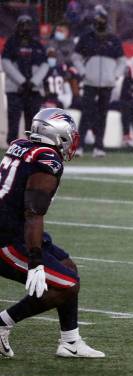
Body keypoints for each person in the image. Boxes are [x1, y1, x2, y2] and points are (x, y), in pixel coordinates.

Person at [0, 108, 104, 358]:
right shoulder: (48, 160)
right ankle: (3, 322)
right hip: (6, 237)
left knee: (68, 266)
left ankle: (70, 342)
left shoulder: (22, 145)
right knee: (68, 286)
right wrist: (35, 261)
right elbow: (33, 212)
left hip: (14, 226)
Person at [71, 5, 126, 157]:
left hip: (107, 83)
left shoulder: (113, 39)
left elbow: (122, 61)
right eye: (98, 19)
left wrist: (115, 75)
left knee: (102, 115)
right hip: (90, 82)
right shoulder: (86, 37)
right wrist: (83, 72)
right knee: (86, 113)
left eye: (102, 18)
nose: (100, 22)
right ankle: (79, 146)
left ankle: (99, 146)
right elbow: (75, 57)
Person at [1, 15, 48, 145]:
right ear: (17, 26)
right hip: (15, 89)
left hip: (34, 88)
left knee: (33, 121)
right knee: (13, 119)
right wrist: (22, 81)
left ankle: (32, 147)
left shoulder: (37, 45)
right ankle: (13, 146)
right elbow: (5, 62)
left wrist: (33, 81)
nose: (25, 27)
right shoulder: (11, 43)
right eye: (23, 24)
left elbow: (45, 65)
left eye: (28, 24)